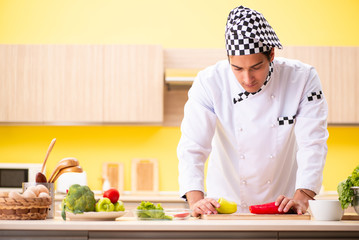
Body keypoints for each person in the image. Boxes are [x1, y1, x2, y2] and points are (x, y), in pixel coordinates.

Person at [177, 5, 329, 217]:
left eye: (256, 67)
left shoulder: (302, 79)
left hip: (284, 207)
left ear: (272, 55)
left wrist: (302, 198)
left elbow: (313, 143)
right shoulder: (210, 82)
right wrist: (196, 201)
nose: (247, 79)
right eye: (237, 69)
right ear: (229, 60)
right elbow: (193, 147)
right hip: (222, 208)